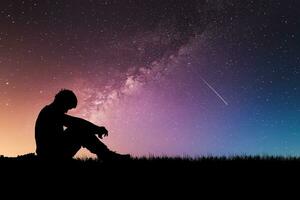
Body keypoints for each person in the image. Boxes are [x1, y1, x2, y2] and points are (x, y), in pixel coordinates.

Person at [35, 89, 130, 161]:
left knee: (79, 129)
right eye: (68, 107)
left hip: (51, 151)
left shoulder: (49, 111)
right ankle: (107, 156)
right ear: (63, 101)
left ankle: (106, 155)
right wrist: (97, 129)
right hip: (50, 155)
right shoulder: (50, 112)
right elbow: (77, 122)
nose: (67, 111)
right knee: (79, 131)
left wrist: (95, 129)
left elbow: (75, 122)